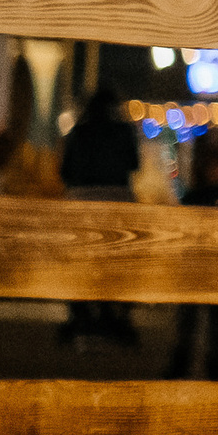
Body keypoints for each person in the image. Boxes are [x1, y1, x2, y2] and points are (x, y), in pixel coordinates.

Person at [57, 87, 141, 350]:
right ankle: (111, 315)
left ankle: (81, 316)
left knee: (79, 262)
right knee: (116, 261)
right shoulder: (123, 131)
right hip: (117, 199)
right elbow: (134, 163)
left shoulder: (78, 132)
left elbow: (65, 170)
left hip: (81, 200)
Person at [164, 138, 218, 380]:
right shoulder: (198, 197)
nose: (215, 172)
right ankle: (183, 364)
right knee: (188, 321)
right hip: (196, 267)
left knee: (216, 325)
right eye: (212, 167)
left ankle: (214, 368)